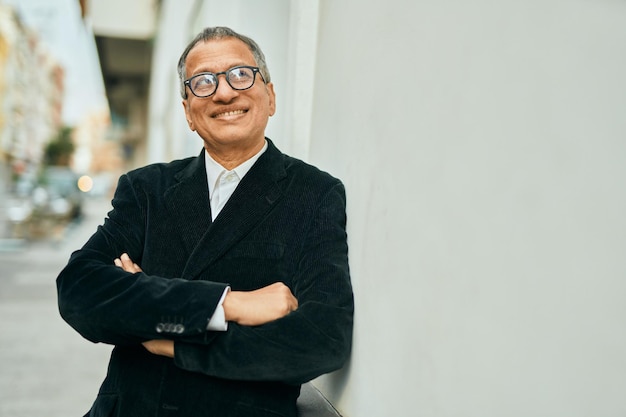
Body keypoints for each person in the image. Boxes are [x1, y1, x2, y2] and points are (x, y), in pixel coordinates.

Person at [56, 26, 353, 417]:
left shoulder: (313, 193)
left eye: (241, 74)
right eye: (203, 82)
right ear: (188, 113)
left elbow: (321, 338)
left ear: (271, 97)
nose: (225, 92)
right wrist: (228, 305)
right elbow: (80, 290)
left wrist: (171, 339)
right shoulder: (147, 189)